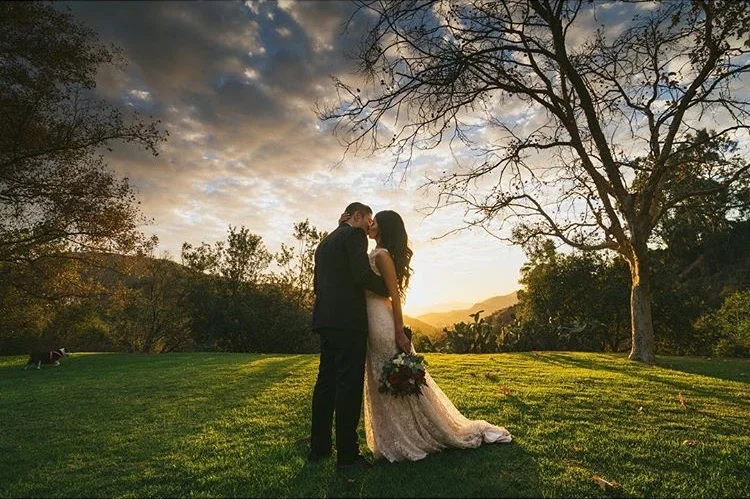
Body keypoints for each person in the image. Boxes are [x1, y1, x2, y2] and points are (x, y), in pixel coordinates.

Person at [358, 210, 513, 462]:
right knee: (379, 376)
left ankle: (411, 437)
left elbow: (394, 295)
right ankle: (393, 437)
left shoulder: (383, 255)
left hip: (382, 322)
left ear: (384, 227)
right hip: (372, 318)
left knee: (387, 374)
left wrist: (398, 330)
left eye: (374, 221)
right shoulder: (377, 252)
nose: (370, 224)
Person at [309, 202, 389, 470]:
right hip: (348, 322)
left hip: (326, 319)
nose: (369, 227)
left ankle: (319, 448)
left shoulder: (326, 241)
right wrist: (388, 287)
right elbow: (360, 274)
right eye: (368, 220)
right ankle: (347, 456)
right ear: (357, 216)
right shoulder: (354, 235)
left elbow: (317, 284)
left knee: (326, 385)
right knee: (348, 387)